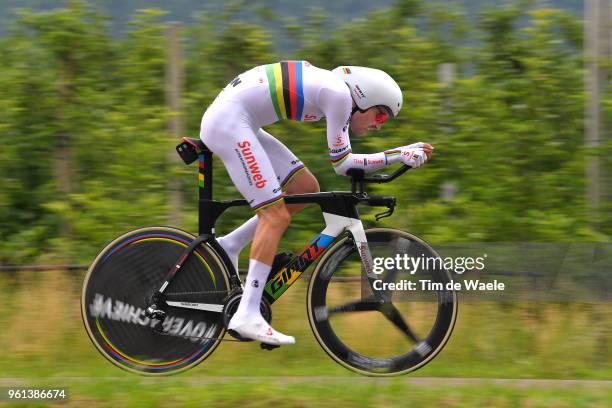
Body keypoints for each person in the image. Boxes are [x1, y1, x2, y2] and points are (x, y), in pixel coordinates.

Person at [199, 61, 433, 346]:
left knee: (304, 188)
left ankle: (231, 244)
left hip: (237, 119)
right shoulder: (339, 96)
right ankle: (247, 314)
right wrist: (397, 154)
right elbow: (343, 164)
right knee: (275, 217)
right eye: (380, 115)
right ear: (364, 97)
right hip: (230, 123)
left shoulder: (335, 92)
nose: (377, 125)